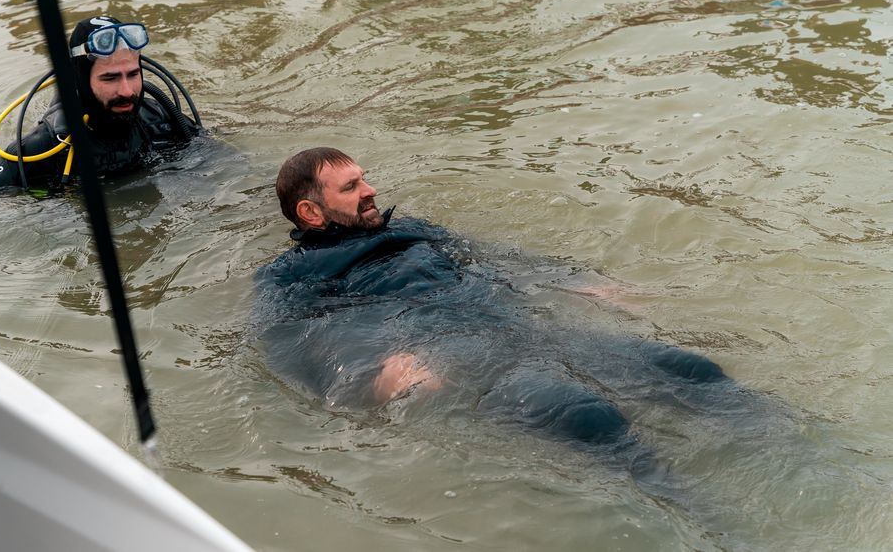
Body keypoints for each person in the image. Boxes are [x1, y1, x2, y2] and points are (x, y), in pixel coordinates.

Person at [252, 147, 732, 450]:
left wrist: (581, 281)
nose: (371, 189)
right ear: (311, 211)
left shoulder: (413, 230)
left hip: (518, 326)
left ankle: (796, 449)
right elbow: (293, 344)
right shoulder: (290, 274)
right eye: (352, 186)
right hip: (457, 354)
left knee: (692, 370)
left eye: (365, 178)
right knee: (587, 414)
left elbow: (496, 256)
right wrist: (372, 377)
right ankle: (697, 518)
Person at [0, 15, 201, 245]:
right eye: (110, 78)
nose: (127, 90)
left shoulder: (156, 115)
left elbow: (214, 157)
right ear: (81, 81)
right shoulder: (44, 145)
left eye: (132, 74)